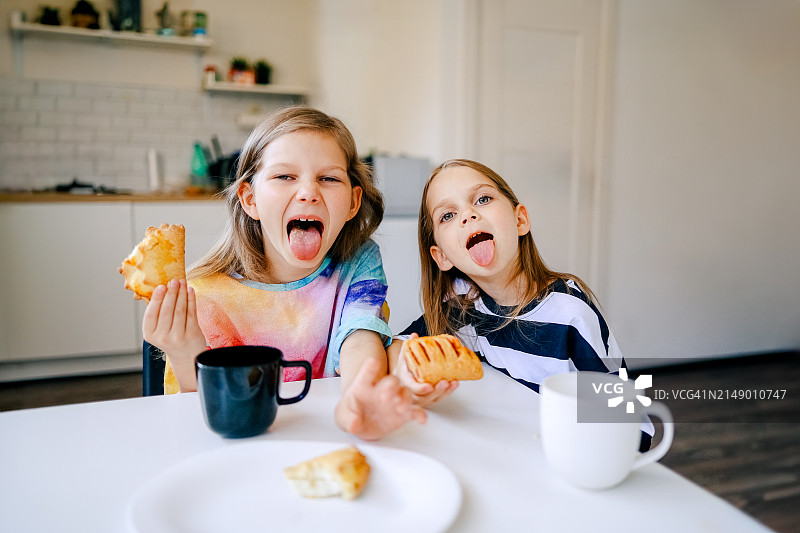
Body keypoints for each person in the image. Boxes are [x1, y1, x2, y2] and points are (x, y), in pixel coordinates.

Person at [143, 106, 426, 440]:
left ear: (353, 202)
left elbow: (359, 335)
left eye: (329, 178)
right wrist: (184, 350)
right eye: (284, 176)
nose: (308, 192)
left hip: (331, 438)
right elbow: (196, 419)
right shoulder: (203, 294)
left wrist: (358, 396)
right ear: (250, 199)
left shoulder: (357, 263)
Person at [388, 158, 653, 451]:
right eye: (447, 215)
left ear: (520, 220)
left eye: (483, 199)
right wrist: (407, 374)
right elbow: (399, 345)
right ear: (442, 257)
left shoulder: (570, 314)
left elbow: (635, 430)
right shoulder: (462, 306)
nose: (468, 215)